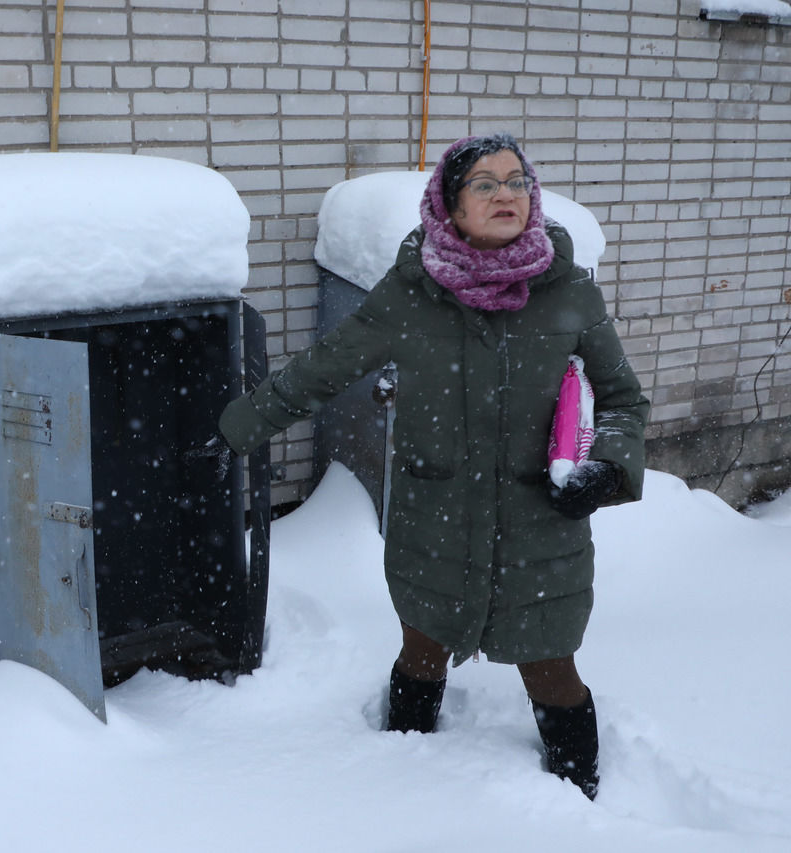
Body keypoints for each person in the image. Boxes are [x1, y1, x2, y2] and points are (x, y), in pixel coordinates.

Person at [216, 133, 649, 800]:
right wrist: (235, 429)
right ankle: (400, 783)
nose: (506, 193)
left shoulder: (567, 292)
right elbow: (320, 372)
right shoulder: (409, 294)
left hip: (540, 528)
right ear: (451, 205)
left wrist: (609, 469)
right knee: (421, 652)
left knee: (552, 669)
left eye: (517, 181)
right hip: (433, 525)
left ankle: (581, 800)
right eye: (484, 183)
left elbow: (622, 399)